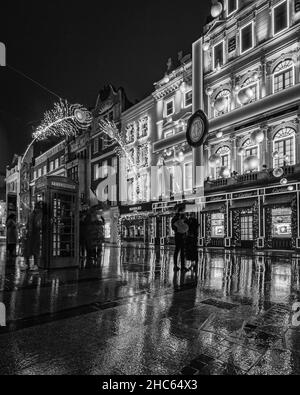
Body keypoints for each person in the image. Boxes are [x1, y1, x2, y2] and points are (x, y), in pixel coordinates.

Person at [172, 204, 189, 271]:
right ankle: (176, 266)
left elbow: (187, 224)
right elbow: (173, 227)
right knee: (177, 251)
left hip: (182, 235)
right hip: (179, 235)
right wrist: (179, 229)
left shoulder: (183, 217)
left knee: (182, 251)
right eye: (183, 211)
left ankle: (182, 266)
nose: (184, 212)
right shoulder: (176, 218)